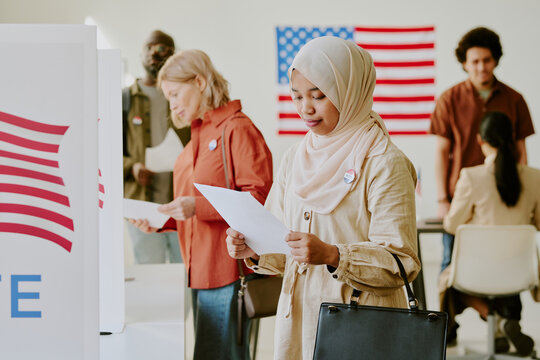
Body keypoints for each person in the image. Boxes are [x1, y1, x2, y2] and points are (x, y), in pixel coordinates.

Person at [226, 36, 420, 359]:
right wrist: (254, 249)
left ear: (349, 92)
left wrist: (334, 255)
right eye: (297, 96)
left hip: (359, 325)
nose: (306, 108)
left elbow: (401, 263)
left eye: (319, 96)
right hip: (300, 320)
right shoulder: (295, 158)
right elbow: (282, 240)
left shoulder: (385, 162)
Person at [130, 49, 273, 359]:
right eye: (168, 98)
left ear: (200, 81)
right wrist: (161, 220)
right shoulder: (198, 134)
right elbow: (190, 206)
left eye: (175, 94)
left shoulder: (237, 129)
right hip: (199, 270)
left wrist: (196, 208)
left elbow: (258, 200)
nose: (173, 105)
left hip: (228, 271)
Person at [430, 27, 535, 273]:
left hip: (505, 196)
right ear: (464, 63)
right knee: (451, 265)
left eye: (486, 60)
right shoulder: (449, 99)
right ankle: (449, 312)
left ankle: (501, 313)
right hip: (461, 198)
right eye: (474, 61)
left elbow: (521, 150)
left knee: (507, 267)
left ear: (495, 60)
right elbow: (442, 152)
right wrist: (443, 200)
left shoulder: (515, 99)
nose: (481, 67)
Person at [440, 111, 540, 356]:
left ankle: (491, 317)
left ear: (480, 140)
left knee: (449, 283)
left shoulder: (471, 177)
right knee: (503, 274)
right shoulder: (535, 178)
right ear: (512, 139)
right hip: (518, 271)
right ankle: (504, 324)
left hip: (477, 272)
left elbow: (451, 225)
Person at [122, 30, 190, 264]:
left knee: (183, 276)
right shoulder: (125, 99)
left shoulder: (184, 97)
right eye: (149, 48)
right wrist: (132, 167)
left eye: (161, 48)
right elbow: (106, 150)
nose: (154, 53)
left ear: (173, 55)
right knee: (151, 277)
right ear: (141, 54)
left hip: (180, 204)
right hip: (142, 206)